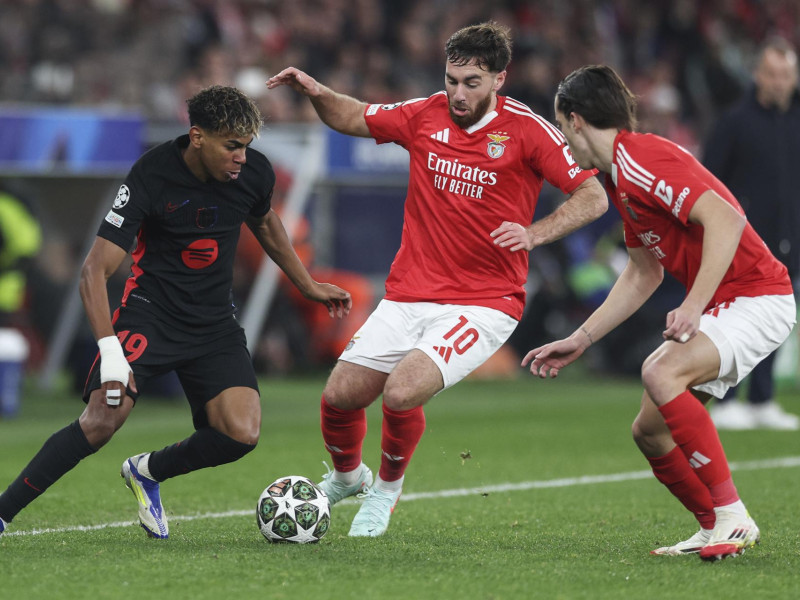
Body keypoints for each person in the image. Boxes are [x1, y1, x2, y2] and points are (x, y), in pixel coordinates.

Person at [266, 21, 608, 537]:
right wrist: (317, 91)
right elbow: (355, 116)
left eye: (472, 82)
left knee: (402, 392)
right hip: (409, 293)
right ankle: (346, 476)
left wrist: (536, 234)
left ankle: (384, 492)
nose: (458, 92)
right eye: (452, 79)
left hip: (486, 302)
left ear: (499, 79)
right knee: (339, 395)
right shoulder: (423, 114)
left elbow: (593, 196)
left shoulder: (527, 130)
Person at [0, 85, 352, 539]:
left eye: (246, 147)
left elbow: (265, 221)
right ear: (197, 137)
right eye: (231, 146)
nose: (242, 157)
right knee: (102, 421)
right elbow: (93, 271)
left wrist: (307, 283)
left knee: (241, 433)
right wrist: (110, 350)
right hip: (150, 316)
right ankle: (4, 512)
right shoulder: (151, 174)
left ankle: (146, 471)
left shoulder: (253, 173)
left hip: (213, 323)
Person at [522, 65, 795, 561]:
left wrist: (692, 305)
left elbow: (727, 220)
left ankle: (733, 516)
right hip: (727, 301)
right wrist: (582, 338)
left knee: (659, 370)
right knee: (648, 430)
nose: (563, 137)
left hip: (758, 295)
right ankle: (714, 525)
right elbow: (642, 273)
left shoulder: (641, 158)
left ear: (576, 120)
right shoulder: (620, 178)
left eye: (561, 124)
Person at [703, 37, 800, 431]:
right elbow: (708, 183)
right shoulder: (733, 123)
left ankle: (762, 399)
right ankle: (725, 399)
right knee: (734, 321)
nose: (778, 82)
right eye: (772, 74)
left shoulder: (796, 123)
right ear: (757, 75)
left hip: (790, 240)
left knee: (776, 322)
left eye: (786, 75)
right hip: (742, 246)